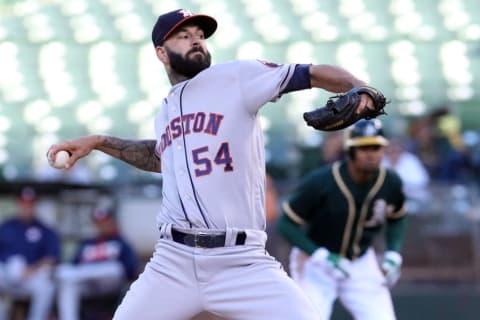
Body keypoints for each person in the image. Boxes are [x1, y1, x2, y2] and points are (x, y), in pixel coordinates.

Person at [47, 8, 377, 319]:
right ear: (161, 52)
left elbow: (311, 73)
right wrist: (100, 142)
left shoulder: (235, 77)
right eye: (183, 35)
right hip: (172, 261)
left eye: (200, 35)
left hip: (241, 261)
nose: (196, 40)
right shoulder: (165, 110)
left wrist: (360, 87)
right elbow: (161, 158)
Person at [277, 119, 407, 320]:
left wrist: (393, 254)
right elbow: (286, 223)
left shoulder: (390, 182)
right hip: (316, 261)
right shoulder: (321, 181)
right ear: (350, 151)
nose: (371, 153)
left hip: (360, 261)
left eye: (376, 147)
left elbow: (397, 217)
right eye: (364, 147)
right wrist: (318, 255)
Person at [56, 205, 139, 320]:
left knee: (113, 268)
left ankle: (76, 273)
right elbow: (73, 263)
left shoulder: (121, 242)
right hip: (87, 283)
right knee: (68, 285)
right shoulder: (87, 243)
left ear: (111, 222)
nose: (102, 225)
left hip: (110, 282)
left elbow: (129, 268)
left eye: (105, 221)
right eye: (99, 222)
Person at [0, 187, 60, 320]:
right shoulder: (6, 226)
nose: (26, 207)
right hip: (5, 273)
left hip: (30, 276)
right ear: (18, 204)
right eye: (23, 203)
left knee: (47, 286)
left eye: (30, 204)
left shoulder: (45, 230)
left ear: (35, 205)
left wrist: (31, 269)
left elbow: (52, 257)